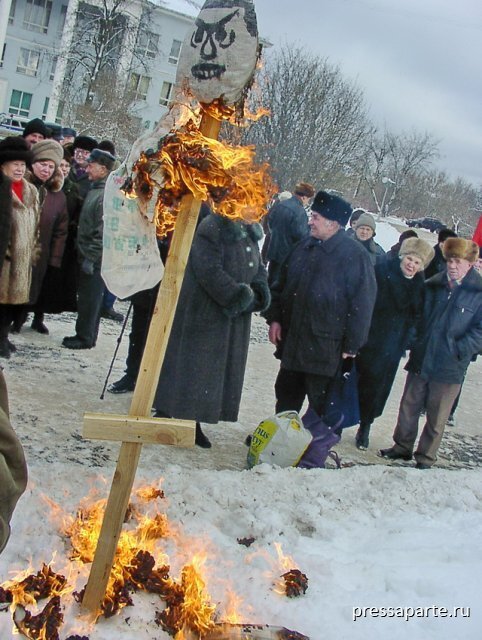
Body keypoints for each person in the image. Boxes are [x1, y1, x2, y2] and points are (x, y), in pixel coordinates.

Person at [153, 211, 270, 448]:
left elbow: (258, 267)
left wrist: (258, 292)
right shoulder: (212, 227)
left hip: (233, 317)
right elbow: (209, 270)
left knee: (215, 371)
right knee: (197, 368)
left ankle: (192, 415)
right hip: (206, 311)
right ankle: (186, 421)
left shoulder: (248, 230)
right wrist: (236, 296)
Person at [264, 190, 377, 418]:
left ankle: (310, 449)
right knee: (285, 397)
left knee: (319, 407)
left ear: (333, 224)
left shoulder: (355, 256)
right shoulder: (303, 247)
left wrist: (352, 345)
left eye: (315, 217)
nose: (310, 221)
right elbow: (280, 285)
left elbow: (362, 306)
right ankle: (280, 442)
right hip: (293, 344)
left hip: (326, 350)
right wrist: (275, 318)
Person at [380, 238, 482, 469]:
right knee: (409, 406)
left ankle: (426, 457)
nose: (452, 266)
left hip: (450, 365)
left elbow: (480, 332)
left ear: (469, 264)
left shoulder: (478, 292)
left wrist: (458, 349)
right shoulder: (433, 284)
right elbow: (417, 315)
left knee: (437, 415)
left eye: (458, 261)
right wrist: (415, 340)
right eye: (449, 260)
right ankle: (402, 447)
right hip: (422, 357)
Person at [354, 238, 434, 450]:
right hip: (369, 338)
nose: (411, 265)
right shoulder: (381, 272)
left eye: (417, 263)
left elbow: (418, 316)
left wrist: (408, 338)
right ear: (402, 257)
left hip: (392, 346)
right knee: (354, 382)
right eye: (409, 259)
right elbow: (364, 301)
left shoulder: (419, 285)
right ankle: (337, 423)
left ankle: (365, 425)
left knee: (378, 388)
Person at [12, 139, 68, 335]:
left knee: (31, 290)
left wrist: (54, 260)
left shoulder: (57, 196)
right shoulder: (18, 185)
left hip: (39, 254)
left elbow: (61, 231)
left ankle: (18, 323)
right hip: (14, 249)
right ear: (32, 163)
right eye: (42, 164)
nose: (46, 169)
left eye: (51, 166)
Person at [62, 148, 115, 349]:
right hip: (87, 254)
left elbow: (103, 231)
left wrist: (91, 257)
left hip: (94, 258)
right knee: (87, 298)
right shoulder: (96, 189)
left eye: (91, 166)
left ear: (103, 169)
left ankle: (85, 337)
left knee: (90, 299)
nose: (87, 169)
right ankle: (86, 334)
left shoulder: (104, 195)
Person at [0, 137, 40, 357]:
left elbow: (37, 225)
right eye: (15, 163)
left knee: (12, 304)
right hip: (6, 258)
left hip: (23, 259)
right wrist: (7, 252)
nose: (19, 168)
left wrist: (33, 250)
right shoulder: (2, 190)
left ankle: (4, 337)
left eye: (22, 164)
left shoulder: (31, 191)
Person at [265, 182, 314, 285]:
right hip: (287, 254)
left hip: (274, 249)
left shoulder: (280, 205)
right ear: (304, 197)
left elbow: (270, 221)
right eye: (308, 199)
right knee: (279, 284)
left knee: (270, 278)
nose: (307, 202)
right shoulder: (300, 212)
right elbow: (301, 235)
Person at [68, 135, 98, 200]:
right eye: (78, 151)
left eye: (85, 153)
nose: (80, 155)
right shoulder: (66, 167)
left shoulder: (94, 174)